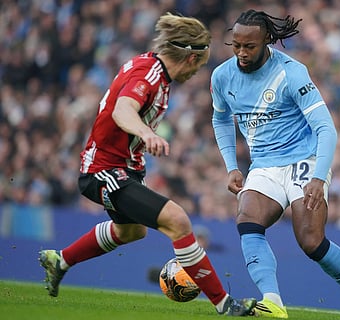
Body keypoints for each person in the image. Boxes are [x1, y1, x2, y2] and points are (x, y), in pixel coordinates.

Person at [38, 12, 256, 316]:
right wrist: (144, 132)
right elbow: (122, 110)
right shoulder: (148, 75)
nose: (195, 74)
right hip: (104, 170)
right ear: (191, 60)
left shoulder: (156, 70)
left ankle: (60, 261)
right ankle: (225, 304)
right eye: (199, 66)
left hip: (126, 167)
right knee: (178, 220)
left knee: (132, 232)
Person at [210, 9, 340, 320]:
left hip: (304, 159)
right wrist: (232, 165)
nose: (242, 53)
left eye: (249, 47)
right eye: (236, 46)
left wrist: (317, 176)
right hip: (265, 163)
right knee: (247, 219)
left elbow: (326, 128)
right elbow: (220, 118)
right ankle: (272, 303)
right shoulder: (222, 76)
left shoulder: (291, 72)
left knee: (310, 241)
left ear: (268, 41)